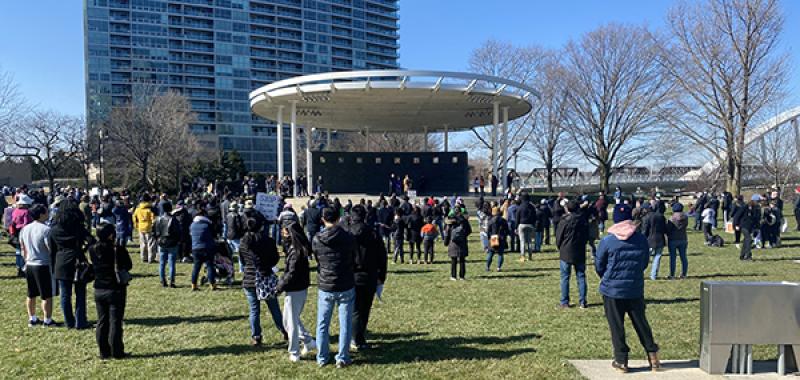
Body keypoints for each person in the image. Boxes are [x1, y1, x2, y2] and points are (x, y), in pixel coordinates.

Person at [595, 217, 661, 373]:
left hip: (612, 290)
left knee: (616, 326)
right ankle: (653, 356)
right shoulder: (641, 240)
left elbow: (599, 264)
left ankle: (621, 360)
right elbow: (644, 262)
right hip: (634, 288)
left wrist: (607, 277)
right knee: (641, 323)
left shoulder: (607, 241)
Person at [313, 207, 357, 368]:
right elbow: (353, 257)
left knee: (322, 323)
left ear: (323, 219)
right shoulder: (348, 237)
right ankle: (342, 357)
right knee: (345, 322)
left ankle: (322, 357)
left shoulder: (317, 239)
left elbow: (317, 258)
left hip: (326, 284)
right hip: (345, 282)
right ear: (338, 219)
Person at [342, 205, 387, 351]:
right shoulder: (373, 234)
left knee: (352, 309)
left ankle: (352, 336)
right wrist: (382, 275)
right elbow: (382, 256)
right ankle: (358, 337)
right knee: (364, 308)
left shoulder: (347, 234)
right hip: (369, 275)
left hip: (351, 274)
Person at [239, 218, 288, 346]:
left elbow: (243, 260)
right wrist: (268, 266)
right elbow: (275, 258)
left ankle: (256, 336)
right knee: (274, 307)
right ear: (261, 227)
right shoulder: (268, 241)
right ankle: (285, 330)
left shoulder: (244, 242)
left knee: (254, 310)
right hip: (265, 276)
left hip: (249, 278)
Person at [50, 199, 94, 329]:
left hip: (61, 260)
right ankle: (80, 321)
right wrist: (83, 250)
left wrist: (53, 265)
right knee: (80, 293)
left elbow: (52, 250)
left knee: (65, 294)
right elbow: (92, 240)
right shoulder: (79, 228)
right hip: (77, 260)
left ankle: (69, 321)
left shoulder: (55, 230)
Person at [89, 223, 132, 360]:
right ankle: (117, 351)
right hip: (115, 288)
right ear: (110, 235)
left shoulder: (92, 249)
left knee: (102, 321)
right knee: (115, 321)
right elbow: (129, 265)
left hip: (99, 288)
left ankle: (103, 351)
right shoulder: (117, 249)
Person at [20, 204, 59, 327]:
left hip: (29, 263)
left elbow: (23, 248)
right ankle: (47, 320)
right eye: (46, 212)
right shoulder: (46, 230)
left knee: (31, 293)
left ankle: (32, 318)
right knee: (46, 295)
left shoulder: (25, 229)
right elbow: (50, 248)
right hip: (43, 264)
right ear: (42, 214)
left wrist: (26, 260)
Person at [556, 200, 589, 309]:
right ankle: (583, 301)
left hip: (566, 251)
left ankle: (564, 301)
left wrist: (559, 246)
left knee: (565, 277)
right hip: (579, 250)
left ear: (567, 209)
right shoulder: (583, 220)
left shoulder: (564, 221)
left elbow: (559, 237)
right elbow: (586, 236)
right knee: (581, 276)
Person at [153, 201, 180, 288]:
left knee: (162, 263)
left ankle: (162, 281)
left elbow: (154, 231)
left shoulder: (158, 219)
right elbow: (177, 232)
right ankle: (171, 281)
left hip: (161, 242)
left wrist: (157, 239)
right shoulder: (173, 219)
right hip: (172, 243)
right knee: (171, 263)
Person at [189, 209, 217, 291]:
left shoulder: (192, 225)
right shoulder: (207, 225)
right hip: (207, 248)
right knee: (210, 266)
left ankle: (193, 285)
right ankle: (212, 284)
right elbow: (214, 235)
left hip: (196, 248)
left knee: (196, 267)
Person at [10, 195, 34, 278]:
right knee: (25, 251)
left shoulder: (15, 211)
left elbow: (12, 222)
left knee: (18, 251)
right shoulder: (26, 212)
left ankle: (19, 267)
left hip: (16, 232)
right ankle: (24, 269)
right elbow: (26, 223)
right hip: (24, 232)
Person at [444, 209, 472, 281]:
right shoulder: (464, 221)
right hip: (462, 242)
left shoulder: (450, 222)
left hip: (453, 242)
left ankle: (453, 276)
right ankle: (462, 276)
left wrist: (446, 242)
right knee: (462, 260)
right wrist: (463, 236)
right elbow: (469, 231)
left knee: (454, 260)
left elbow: (447, 233)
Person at [642, 203, 667, 280]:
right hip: (660, 239)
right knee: (657, 258)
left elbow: (645, 230)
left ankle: (640, 273)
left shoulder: (646, 217)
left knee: (645, 258)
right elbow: (664, 228)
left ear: (646, 209)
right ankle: (654, 275)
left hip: (649, 240)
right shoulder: (661, 216)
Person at [665, 203, 689, 279]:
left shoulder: (671, 218)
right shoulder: (685, 217)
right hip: (683, 238)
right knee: (683, 257)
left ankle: (672, 275)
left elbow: (668, 229)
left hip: (673, 239)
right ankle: (684, 274)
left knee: (673, 258)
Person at [133, 196, 157, 263]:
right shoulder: (150, 209)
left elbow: (134, 218)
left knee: (143, 243)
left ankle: (144, 257)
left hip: (141, 227)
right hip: (149, 227)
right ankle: (151, 258)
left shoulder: (138, 208)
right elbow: (153, 219)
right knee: (151, 243)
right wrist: (154, 227)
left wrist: (136, 226)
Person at [486, 207, 509, 272]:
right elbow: (507, 230)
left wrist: (489, 238)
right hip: (501, 238)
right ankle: (498, 267)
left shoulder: (491, 220)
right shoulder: (503, 220)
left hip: (493, 237)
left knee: (491, 253)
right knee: (500, 254)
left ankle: (487, 267)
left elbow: (488, 231)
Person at [515, 193, 536, 262]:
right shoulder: (532, 207)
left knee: (522, 241)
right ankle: (530, 256)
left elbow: (517, 218)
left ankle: (523, 256)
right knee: (529, 241)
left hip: (522, 224)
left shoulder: (520, 207)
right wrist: (533, 224)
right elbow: (535, 217)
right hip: (530, 224)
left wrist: (516, 227)